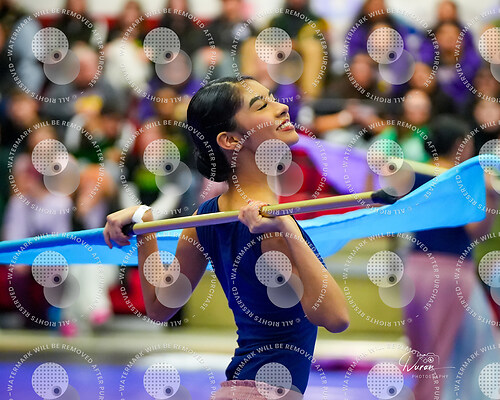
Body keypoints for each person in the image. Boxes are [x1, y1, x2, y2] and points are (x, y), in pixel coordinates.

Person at [103, 76, 349, 397]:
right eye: (261, 105)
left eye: (273, 97)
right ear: (231, 140)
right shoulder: (272, 228)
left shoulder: (207, 216)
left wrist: (144, 225)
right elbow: (336, 317)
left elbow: (160, 306)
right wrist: (287, 228)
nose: (282, 107)